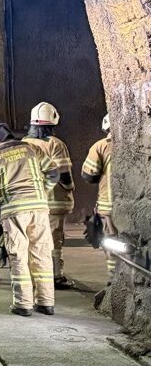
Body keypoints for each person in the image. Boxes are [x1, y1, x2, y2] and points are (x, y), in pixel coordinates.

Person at [0, 120, 59, 317]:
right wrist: (42, 192)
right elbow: (54, 173)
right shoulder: (31, 148)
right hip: (40, 209)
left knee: (19, 255)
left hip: (14, 211)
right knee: (42, 253)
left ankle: (23, 304)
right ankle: (46, 302)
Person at [22, 102, 75, 289]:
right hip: (54, 201)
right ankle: (54, 276)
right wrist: (70, 187)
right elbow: (64, 173)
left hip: (30, 202)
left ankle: (33, 275)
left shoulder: (24, 144)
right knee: (54, 240)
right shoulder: (56, 144)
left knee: (33, 239)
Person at [82, 113, 114, 288]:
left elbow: (89, 175)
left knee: (112, 242)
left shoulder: (101, 146)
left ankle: (114, 279)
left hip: (109, 206)